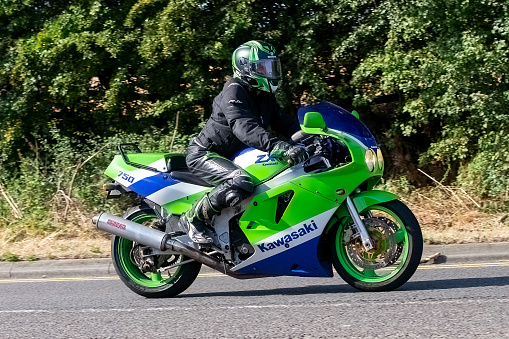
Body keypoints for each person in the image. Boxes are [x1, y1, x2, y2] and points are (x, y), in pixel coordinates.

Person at [179, 40, 309, 244]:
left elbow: (285, 123)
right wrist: (277, 145)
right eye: (263, 67)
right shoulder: (234, 90)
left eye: (272, 66)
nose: (270, 72)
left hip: (235, 155)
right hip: (206, 154)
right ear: (245, 67)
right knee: (241, 181)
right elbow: (243, 127)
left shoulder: (264, 95)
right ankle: (192, 220)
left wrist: (313, 137)